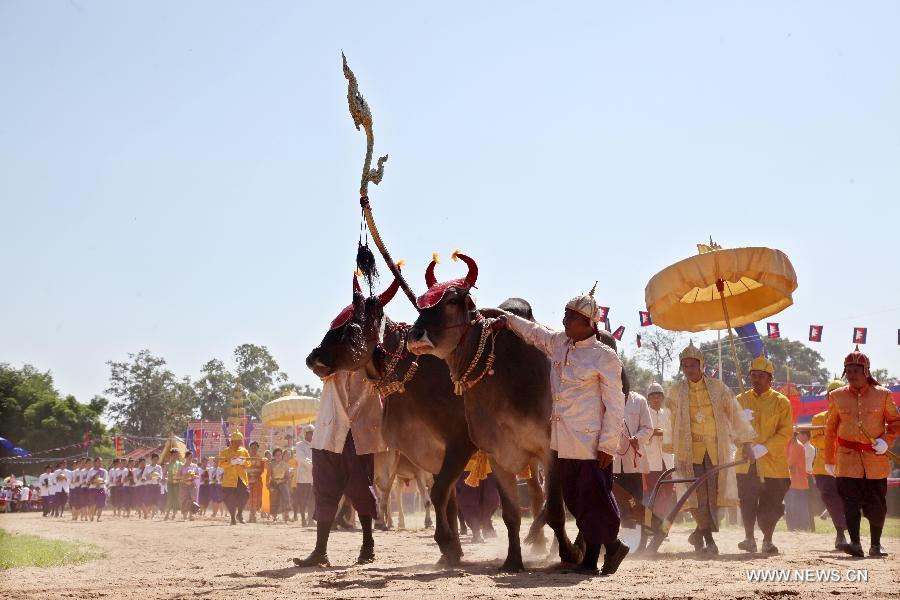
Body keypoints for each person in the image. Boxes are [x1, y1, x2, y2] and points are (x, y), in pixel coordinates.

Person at [495, 283, 629, 576]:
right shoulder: (558, 344)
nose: (564, 321)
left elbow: (616, 405)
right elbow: (532, 332)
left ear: (587, 324)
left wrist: (608, 445)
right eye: (564, 316)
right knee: (574, 498)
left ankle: (594, 558)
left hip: (593, 444)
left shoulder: (604, 357)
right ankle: (614, 547)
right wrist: (502, 316)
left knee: (594, 498)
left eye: (569, 317)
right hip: (563, 442)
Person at [666, 341, 755, 554]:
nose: (689, 369)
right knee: (697, 495)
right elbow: (669, 421)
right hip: (689, 452)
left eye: (692, 365)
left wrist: (746, 442)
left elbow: (735, 414)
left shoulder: (719, 388)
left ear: (702, 365)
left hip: (717, 450)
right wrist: (670, 445)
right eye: (685, 366)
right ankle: (708, 540)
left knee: (715, 494)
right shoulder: (676, 391)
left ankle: (699, 533)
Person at [293, 368, 387, 568]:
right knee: (324, 492)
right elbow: (314, 362)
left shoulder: (371, 353)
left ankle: (368, 545)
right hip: (327, 435)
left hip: (358, 435)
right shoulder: (332, 352)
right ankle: (320, 551)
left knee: (362, 491)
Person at [824, 347, 900, 558]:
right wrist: (829, 460)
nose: (852, 373)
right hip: (846, 460)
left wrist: (886, 441)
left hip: (875, 461)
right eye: (849, 369)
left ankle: (876, 545)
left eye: (857, 369)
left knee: (877, 505)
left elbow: (896, 422)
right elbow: (830, 430)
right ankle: (855, 544)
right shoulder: (836, 396)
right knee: (850, 503)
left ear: (866, 371)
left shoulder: (883, 395)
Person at [734, 355, 793, 554]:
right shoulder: (740, 400)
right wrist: (740, 424)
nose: (756, 379)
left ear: (770, 380)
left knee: (772, 505)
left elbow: (786, 432)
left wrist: (764, 448)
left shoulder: (781, 402)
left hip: (773, 464)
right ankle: (749, 538)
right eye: (753, 375)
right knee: (747, 502)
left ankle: (767, 540)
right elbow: (729, 430)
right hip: (746, 461)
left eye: (761, 376)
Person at [810, 380, 848, 549]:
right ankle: (840, 533)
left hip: (848, 466)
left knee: (849, 499)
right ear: (827, 397)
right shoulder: (818, 418)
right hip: (824, 468)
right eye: (831, 395)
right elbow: (815, 440)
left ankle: (846, 528)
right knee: (830, 497)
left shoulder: (852, 418)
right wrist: (834, 440)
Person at [613, 390, 654, 529]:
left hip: (633, 460)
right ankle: (623, 533)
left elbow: (648, 428)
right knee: (617, 499)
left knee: (635, 498)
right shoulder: (604, 397)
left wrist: (638, 438)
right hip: (612, 460)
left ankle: (637, 532)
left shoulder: (639, 401)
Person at [645, 383, 676, 517]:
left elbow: (674, 432)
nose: (656, 399)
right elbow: (640, 433)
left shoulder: (668, 413)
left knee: (668, 490)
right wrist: (652, 433)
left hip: (667, 458)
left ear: (662, 397)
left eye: (658, 396)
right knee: (654, 492)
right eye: (653, 397)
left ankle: (663, 522)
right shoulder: (644, 414)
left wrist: (665, 433)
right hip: (651, 460)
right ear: (649, 399)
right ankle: (654, 523)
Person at [219, 430, 250, 525]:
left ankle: (239, 514)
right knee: (229, 499)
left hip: (241, 479)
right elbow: (220, 464)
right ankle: (232, 517)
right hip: (229, 480)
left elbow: (249, 463)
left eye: (239, 442)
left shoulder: (244, 452)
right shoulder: (225, 452)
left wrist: (243, 462)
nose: (238, 444)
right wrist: (230, 463)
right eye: (235, 442)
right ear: (231, 442)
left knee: (245, 495)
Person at [785, 433, 811, 531]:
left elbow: (788, 462)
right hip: (795, 481)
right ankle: (797, 527)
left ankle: (797, 527)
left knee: (795, 506)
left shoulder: (795, 445)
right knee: (796, 505)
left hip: (796, 481)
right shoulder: (792, 444)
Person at [294, 424, 315, 526]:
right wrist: (314, 464)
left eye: (312, 433)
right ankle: (303, 519)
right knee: (302, 499)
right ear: (305, 434)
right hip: (303, 477)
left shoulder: (317, 445)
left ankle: (310, 519)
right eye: (309, 433)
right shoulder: (299, 445)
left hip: (314, 477)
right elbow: (302, 458)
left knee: (312, 499)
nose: (311, 435)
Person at [268, 448, 292, 522]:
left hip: (283, 482)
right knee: (274, 500)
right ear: (274, 456)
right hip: (274, 483)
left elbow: (288, 476)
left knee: (286, 498)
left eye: (280, 455)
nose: (278, 456)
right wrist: (267, 484)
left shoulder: (285, 464)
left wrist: (288, 483)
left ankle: (286, 516)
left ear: (282, 455)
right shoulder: (271, 464)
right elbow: (268, 475)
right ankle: (274, 516)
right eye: (276, 455)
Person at [178, 451, 201, 520]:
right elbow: (178, 476)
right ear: (186, 457)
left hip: (192, 484)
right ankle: (185, 515)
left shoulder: (195, 466)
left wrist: (193, 475)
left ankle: (191, 515)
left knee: (192, 500)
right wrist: (184, 476)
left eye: (191, 457)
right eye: (189, 457)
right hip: (183, 484)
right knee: (185, 500)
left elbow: (198, 476)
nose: (191, 458)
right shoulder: (182, 466)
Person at [163, 450, 182, 521]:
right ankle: (167, 514)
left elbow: (181, 474)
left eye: (176, 455)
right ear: (171, 456)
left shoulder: (180, 464)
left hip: (177, 483)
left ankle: (174, 514)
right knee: (170, 498)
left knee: (176, 499)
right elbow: (164, 474)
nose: (175, 456)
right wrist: (165, 478)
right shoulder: (168, 464)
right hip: (170, 483)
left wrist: (179, 477)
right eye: (174, 455)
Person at [88, 456, 108, 522]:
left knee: (101, 504)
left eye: (101, 462)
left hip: (101, 488)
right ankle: (92, 516)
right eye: (98, 461)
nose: (100, 463)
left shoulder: (104, 471)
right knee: (92, 504)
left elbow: (106, 480)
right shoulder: (91, 471)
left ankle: (98, 518)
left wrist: (101, 482)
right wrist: (94, 482)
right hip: (92, 489)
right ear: (95, 462)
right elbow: (88, 480)